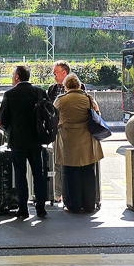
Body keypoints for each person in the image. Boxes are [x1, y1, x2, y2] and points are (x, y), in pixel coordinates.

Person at [0, 64, 49, 218]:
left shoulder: (9, 94)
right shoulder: (40, 92)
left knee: (20, 175)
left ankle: (23, 208)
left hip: (17, 142)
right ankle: (41, 207)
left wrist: (9, 130)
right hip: (36, 141)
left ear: (17, 77)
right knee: (38, 175)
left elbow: (3, 120)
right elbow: (48, 115)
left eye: (13, 75)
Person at [54, 73, 104, 212]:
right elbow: (97, 116)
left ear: (66, 86)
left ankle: (73, 205)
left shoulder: (61, 100)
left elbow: (54, 118)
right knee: (88, 172)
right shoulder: (88, 99)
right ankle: (89, 205)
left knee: (70, 173)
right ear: (78, 85)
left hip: (68, 140)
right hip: (87, 140)